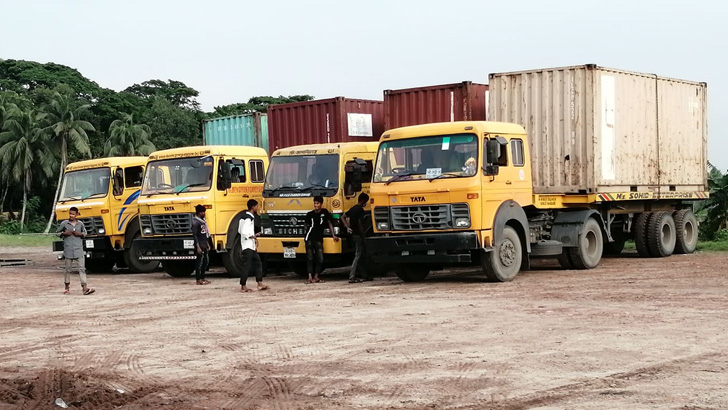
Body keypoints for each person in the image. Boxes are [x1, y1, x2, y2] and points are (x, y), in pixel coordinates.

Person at [57, 207, 95, 295]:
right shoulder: (64, 224)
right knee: (67, 270)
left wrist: (80, 234)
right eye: (70, 214)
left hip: (79, 250)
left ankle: (85, 288)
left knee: (82, 269)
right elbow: (57, 233)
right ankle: (67, 288)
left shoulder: (80, 224)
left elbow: (85, 233)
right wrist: (63, 234)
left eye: (73, 214)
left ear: (77, 214)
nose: (71, 216)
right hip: (68, 250)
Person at [304, 196, 339, 283]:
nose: (316, 205)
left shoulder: (325, 212)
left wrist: (333, 235)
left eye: (317, 203)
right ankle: (309, 277)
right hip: (309, 238)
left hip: (318, 238)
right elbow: (305, 226)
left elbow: (329, 223)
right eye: (315, 203)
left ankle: (316, 276)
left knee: (320, 258)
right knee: (310, 257)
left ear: (321, 204)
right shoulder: (309, 214)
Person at [238, 199, 269, 293]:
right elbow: (244, 232)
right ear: (253, 207)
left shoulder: (243, 216)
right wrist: (254, 236)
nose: (257, 208)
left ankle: (259, 283)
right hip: (248, 246)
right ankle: (243, 286)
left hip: (249, 245)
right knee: (246, 265)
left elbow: (239, 230)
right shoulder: (249, 218)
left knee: (258, 262)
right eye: (256, 206)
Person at [342, 193, 371, 283]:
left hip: (353, 234)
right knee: (358, 255)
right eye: (365, 201)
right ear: (363, 200)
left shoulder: (353, 208)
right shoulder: (360, 210)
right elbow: (360, 223)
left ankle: (364, 275)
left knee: (359, 254)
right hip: (358, 234)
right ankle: (352, 275)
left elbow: (342, 217)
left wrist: (347, 227)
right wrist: (363, 236)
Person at [192, 204, 211, 285]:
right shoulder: (196, 223)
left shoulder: (203, 222)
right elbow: (195, 235)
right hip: (199, 244)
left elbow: (205, 234)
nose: (204, 213)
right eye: (202, 212)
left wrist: (207, 243)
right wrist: (198, 246)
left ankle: (203, 277)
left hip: (204, 244)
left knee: (205, 262)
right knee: (199, 263)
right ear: (199, 213)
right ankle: (198, 279)